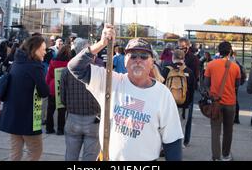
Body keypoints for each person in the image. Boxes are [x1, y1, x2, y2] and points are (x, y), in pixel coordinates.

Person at [68, 24, 183, 161]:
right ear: (125, 61)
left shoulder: (163, 94)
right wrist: (101, 43)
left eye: (144, 56)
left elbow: (172, 140)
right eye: (132, 56)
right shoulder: (111, 81)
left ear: (152, 62)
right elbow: (75, 67)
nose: (138, 60)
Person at [0, 36, 50, 161]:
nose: (45, 52)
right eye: (43, 49)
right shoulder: (35, 67)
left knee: (15, 152)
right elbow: (44, 92)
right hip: (28, 118)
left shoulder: (17, 62)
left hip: (12, 115)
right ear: (35, 49)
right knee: (35, 151)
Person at [61, 38, 101, 161]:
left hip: (73, 117)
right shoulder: (98, 71)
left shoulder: (66, 71)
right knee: (90, 157)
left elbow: (62, 97)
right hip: (93, 119)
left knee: (70, 156)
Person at [204, 41, 241, 161]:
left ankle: (215, 156)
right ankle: (226, 155)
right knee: (228, 130)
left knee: (215, 130)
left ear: (219, 51)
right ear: (230, 51)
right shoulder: (235, 66)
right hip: (230, 102)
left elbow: (206, 84)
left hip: (216, 102)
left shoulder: (211, 65)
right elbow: (237, 84)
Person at [161, 49, 195, 148]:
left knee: (166, 125)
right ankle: (179, 145)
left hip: (167, 104)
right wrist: (188, 102)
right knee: (181, 125)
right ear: (183, 59)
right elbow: (192, 89)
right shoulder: (188, 71)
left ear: (173, 58)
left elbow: (161, 86)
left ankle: (165, 145)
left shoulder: (166, 70)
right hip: (184, 104)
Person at [45, 44, 71, 135]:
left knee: (50, 109)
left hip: (52, 87)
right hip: (64, 88)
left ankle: (49, 128)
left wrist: (47, 85)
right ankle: (60, 129)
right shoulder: (70, 63)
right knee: (61, 110)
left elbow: (49, 76)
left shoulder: (53, 62)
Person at [230, 51, 247, 124]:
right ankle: (236, 118)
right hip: (235, 85)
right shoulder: (237, 63)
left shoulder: (221, 62)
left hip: (227, 84)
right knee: (235, 100)